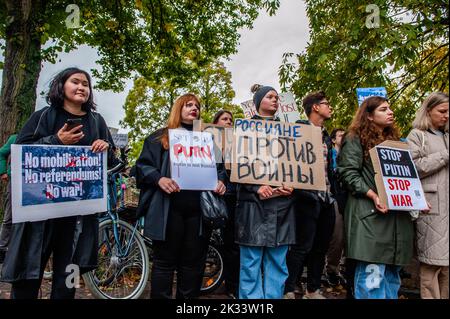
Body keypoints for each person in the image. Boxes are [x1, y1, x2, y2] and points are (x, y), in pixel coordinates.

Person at [0, 67, 115, 299]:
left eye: (86, 84)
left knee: (68, 277)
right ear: (61, 86)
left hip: (77, 217)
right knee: (28, 276)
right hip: (39, 215)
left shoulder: (97, 121)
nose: (82, 87)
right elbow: (21, 152)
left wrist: (106, 147)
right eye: (75, 81)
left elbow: (111, 160)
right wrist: (56, 140)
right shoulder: (43, 116)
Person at [135, 93, 227, 299]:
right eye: (188, 105)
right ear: (178, 109)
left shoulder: (208, 140)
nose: (194, 108)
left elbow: (221, 170)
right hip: (169, 210)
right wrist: (159, 179)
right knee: (164, 264)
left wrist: (221, 181)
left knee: (193, 265)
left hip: (198, 213)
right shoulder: (160, 137)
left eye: (197, 106)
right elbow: (142, 166)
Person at [337, 96, 414, 299]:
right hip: (370, 218)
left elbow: (406, 179)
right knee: (372, 278)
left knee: (392, 277)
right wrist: (372, 195)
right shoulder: (354, 138)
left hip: (396, 219)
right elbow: (347, 173)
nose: (390, 112)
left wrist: (416, 199)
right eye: (383, 109)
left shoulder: (396, 144)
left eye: (390, 108)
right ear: (369, 116)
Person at [236, 84, 296, 299]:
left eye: (277, 97)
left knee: (278, 263)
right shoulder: (244, 128)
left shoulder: (290, 131)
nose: (275, 100)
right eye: (270, 96)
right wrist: (256, 186)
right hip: (254, 207)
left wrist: (292, 184)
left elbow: (297, 165)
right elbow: (237, 165)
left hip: (283, 206)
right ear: (258, 101)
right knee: (251, 263)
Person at [284, 91, 336, 299]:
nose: (330, 107)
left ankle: (312, 290)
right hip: (305, 198)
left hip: (327, 198)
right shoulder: (298, 130)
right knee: (301, 247)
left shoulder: (326, 136)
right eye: (326, 104)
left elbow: (329, 168)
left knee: (321, 247)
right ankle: (288, 289)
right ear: (315, 107)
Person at [407, 92, 449, 299]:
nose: (447, 116)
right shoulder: (417, 135)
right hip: (432, 208)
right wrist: (444, 154)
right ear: (428, 110)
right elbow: (412, 167)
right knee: (432, 264)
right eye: (442, 111)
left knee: (448, 268)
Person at [212, 110, 239, 298]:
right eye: (224, 119)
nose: (228, 122)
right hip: (218, 197)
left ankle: (233, 284)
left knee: (233, 243)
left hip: (236, 197)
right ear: (215, 123)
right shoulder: (210, 143)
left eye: (231, 119)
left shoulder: (239, 143)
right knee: (225, 243)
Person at [325, 128, 347, 287]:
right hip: (334, 198)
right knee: (337, 237)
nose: (344, 137)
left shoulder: (350, 155)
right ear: (333, 140)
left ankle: (344, 269)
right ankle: (331, 269)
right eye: (340, 135)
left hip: (349, 199)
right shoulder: (329, 155)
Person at [0, 134, 17, 263]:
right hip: (15, 181)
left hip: (34, 182)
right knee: (9, 217)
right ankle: (2, 248)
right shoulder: (15, 138)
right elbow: (1, 153)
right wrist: (3, 171)